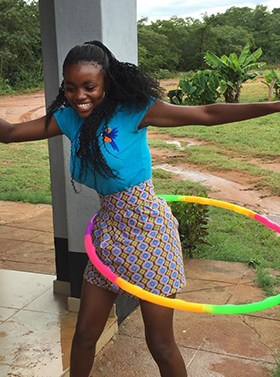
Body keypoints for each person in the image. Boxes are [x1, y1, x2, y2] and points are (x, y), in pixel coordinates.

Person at [0, 41, 279, 377]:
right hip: (107, 233)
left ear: (106, 82)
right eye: (71, 87)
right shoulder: (68, 119)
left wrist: (276, 106)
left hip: (149, 233)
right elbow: (11, 133)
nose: (79, 96)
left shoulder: (135, 110)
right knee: (86, 334)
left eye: (89, 87)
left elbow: (206, 114)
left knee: (159, 343)